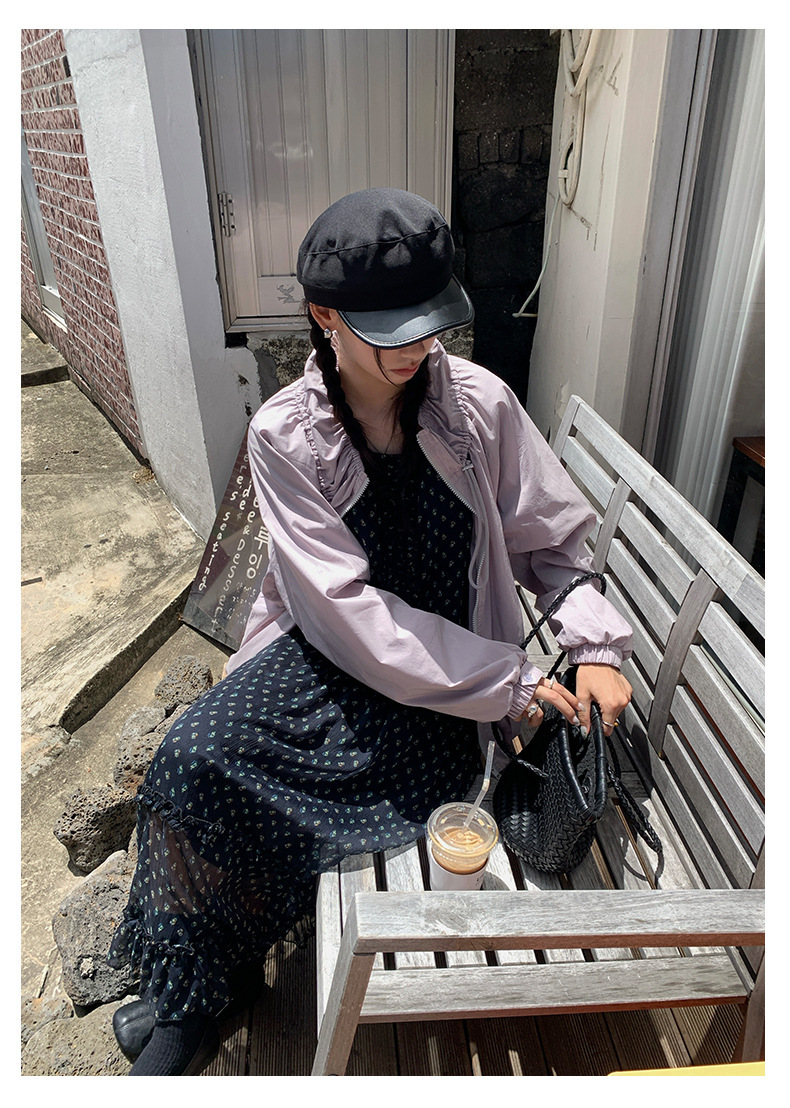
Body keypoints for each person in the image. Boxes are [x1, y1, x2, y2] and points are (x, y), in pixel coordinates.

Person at [107, 187, 633, 1076]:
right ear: (325, 317)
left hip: (446, 692)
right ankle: (197, 985)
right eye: (394, 331)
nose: (420, 349)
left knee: (279, 799)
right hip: (338, 660)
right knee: (189, 762)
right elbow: (342, 613)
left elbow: (552, 540)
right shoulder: (287, 435)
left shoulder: (477, 406)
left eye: (431, 323)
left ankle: (200, 991)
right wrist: (507, 680)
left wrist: (595, 647)